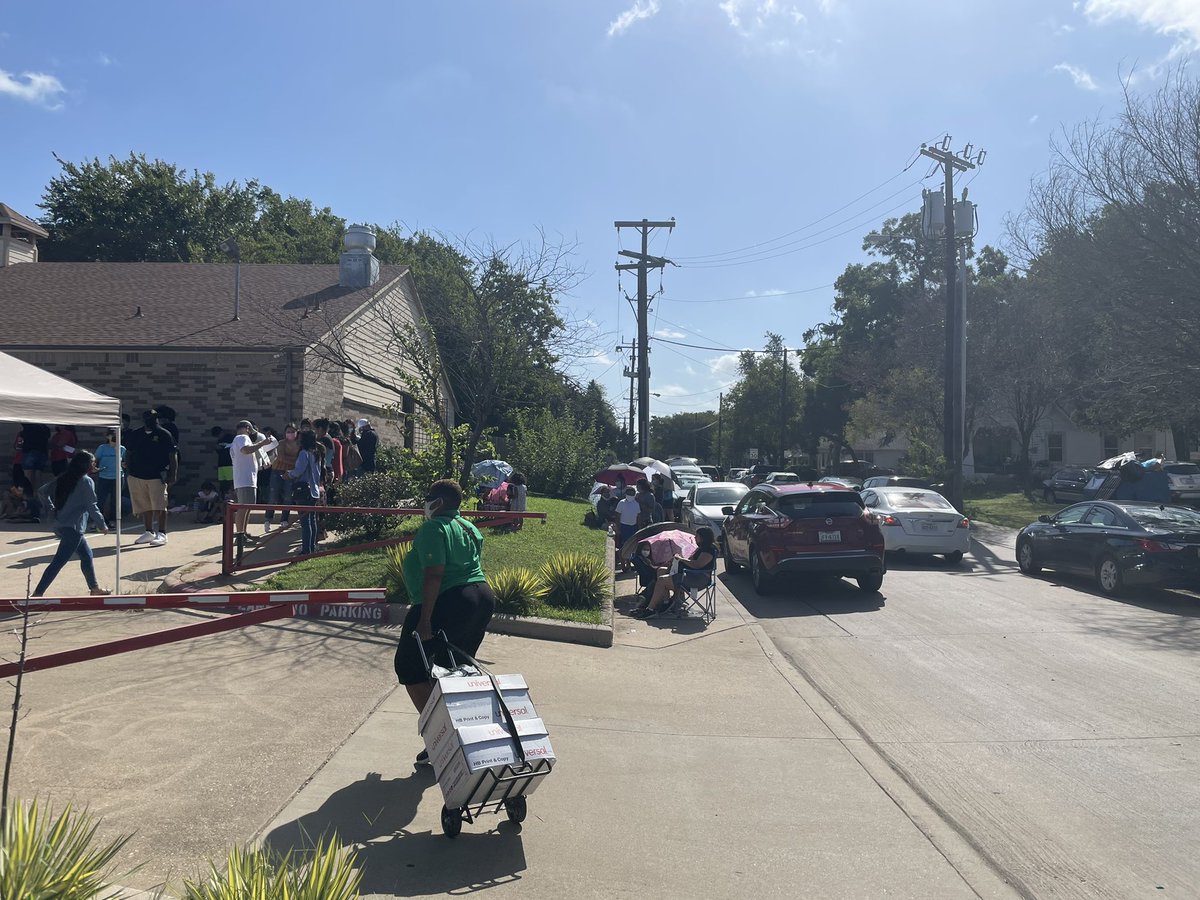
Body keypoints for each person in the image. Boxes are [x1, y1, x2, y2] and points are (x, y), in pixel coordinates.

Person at [393, 479, 497, 764]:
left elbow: (434, 574)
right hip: (480, 598)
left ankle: (445, 738)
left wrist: (424, 620)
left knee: (409, 668)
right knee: (452, 672)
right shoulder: (468, 527)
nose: (425, 503)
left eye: (429, 498)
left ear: (438, 502)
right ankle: (459, 738)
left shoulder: (433, 528)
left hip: (447, 601)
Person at [33, 451, 110, 597]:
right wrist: (102, 524)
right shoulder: (86, 481)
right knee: (58, 562)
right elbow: (92, 505)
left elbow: (42, 491)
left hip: (62, 524)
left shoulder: (65, 477)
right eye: (93, 463)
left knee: (87, 555)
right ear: (86, 465)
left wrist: (51, 509)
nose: (94, 465)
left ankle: (94, 588)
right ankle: (37, 593)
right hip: (73, 528)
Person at [632, 526, 718, 618]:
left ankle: (650, 609)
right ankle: (666, 602)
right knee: (661, 571)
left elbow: (697, 565)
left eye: (696, 536)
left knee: (662, 580)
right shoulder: (700, 548)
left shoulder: (708, 550)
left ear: (703, 537)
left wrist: (681, 559)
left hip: (697, 579)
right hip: (690, 575)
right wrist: (677, 559)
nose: (694, 538)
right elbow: (690, 561)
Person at [124, 409, 177, 547]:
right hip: (137, 475)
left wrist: (173, 474)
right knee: (144, 505)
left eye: (154, 418)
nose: (151, 421)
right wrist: (129, 471)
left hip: (157, 475)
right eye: (148, 418)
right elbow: (128, 453)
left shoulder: (164, 434)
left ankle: (162, 533)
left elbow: (173, 455)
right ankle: (149, 532)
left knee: (159, 505)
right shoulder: (136, 434)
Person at [230, 419, 276, 549]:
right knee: (243, 507)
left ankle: (243, 533)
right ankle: (239, 535)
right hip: (245, 480)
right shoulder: (242, 437)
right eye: (250, 430)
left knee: (247, 507)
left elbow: (247, 459)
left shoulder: (239, 439)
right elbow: (246, 450)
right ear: (247, 428)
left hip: (247, 479)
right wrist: (263, 443)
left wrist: (262, 466)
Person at [284, 429, 324, 555]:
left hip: (304, 490)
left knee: (305, 522)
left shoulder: (304, 453)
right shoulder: (316, 453)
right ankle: (311, 548)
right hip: (314, 490)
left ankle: (306, 550)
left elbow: (298, 471)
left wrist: (288, 474)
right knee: (311, 520)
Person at [264, 423, 300, 533]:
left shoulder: (299, 444)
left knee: (288, 496)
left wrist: (295, 463)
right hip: (277, 470)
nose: (290, 434)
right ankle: (268, 519)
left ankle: (284, 519)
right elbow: (281, 458)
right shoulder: (281, 443)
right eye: (288, 431)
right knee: (273, 495)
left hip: (290, 472)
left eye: (292, 431)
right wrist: (296, 462)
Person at [93, 427, 125, 529]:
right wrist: (95, 468)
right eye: (112, 434)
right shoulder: (102, 447)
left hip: (118, 477)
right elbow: (95, 460)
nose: (115, 436)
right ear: (108, 436)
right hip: (104, 477)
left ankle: (113, 520)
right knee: (100, 500)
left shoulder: (122, 449)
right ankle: (99, 521)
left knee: (115, 500)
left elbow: (125, 462)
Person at [613, 486, 641, 573]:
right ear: (625, 494)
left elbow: (638, 516)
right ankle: (622, 565)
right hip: (623, 526)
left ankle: (628, 564)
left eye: (632, 493)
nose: (630, 495)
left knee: (630, 547)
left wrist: (639, 528)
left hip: (633, 527)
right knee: (622, 547)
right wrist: (618, 528)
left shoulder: (636, 504)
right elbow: (617, 515)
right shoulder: (621, 503)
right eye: (629, 493)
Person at [210, 425, 235, 501]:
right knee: (222, 483)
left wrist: (223, 448)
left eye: (218, 435)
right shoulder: (219, 441)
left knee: (230, 482)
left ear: (222, 432)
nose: (218, 437)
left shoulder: (231, 438)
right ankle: (223, 498)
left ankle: (233, 498)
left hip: (229, 464)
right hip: (221, 465)